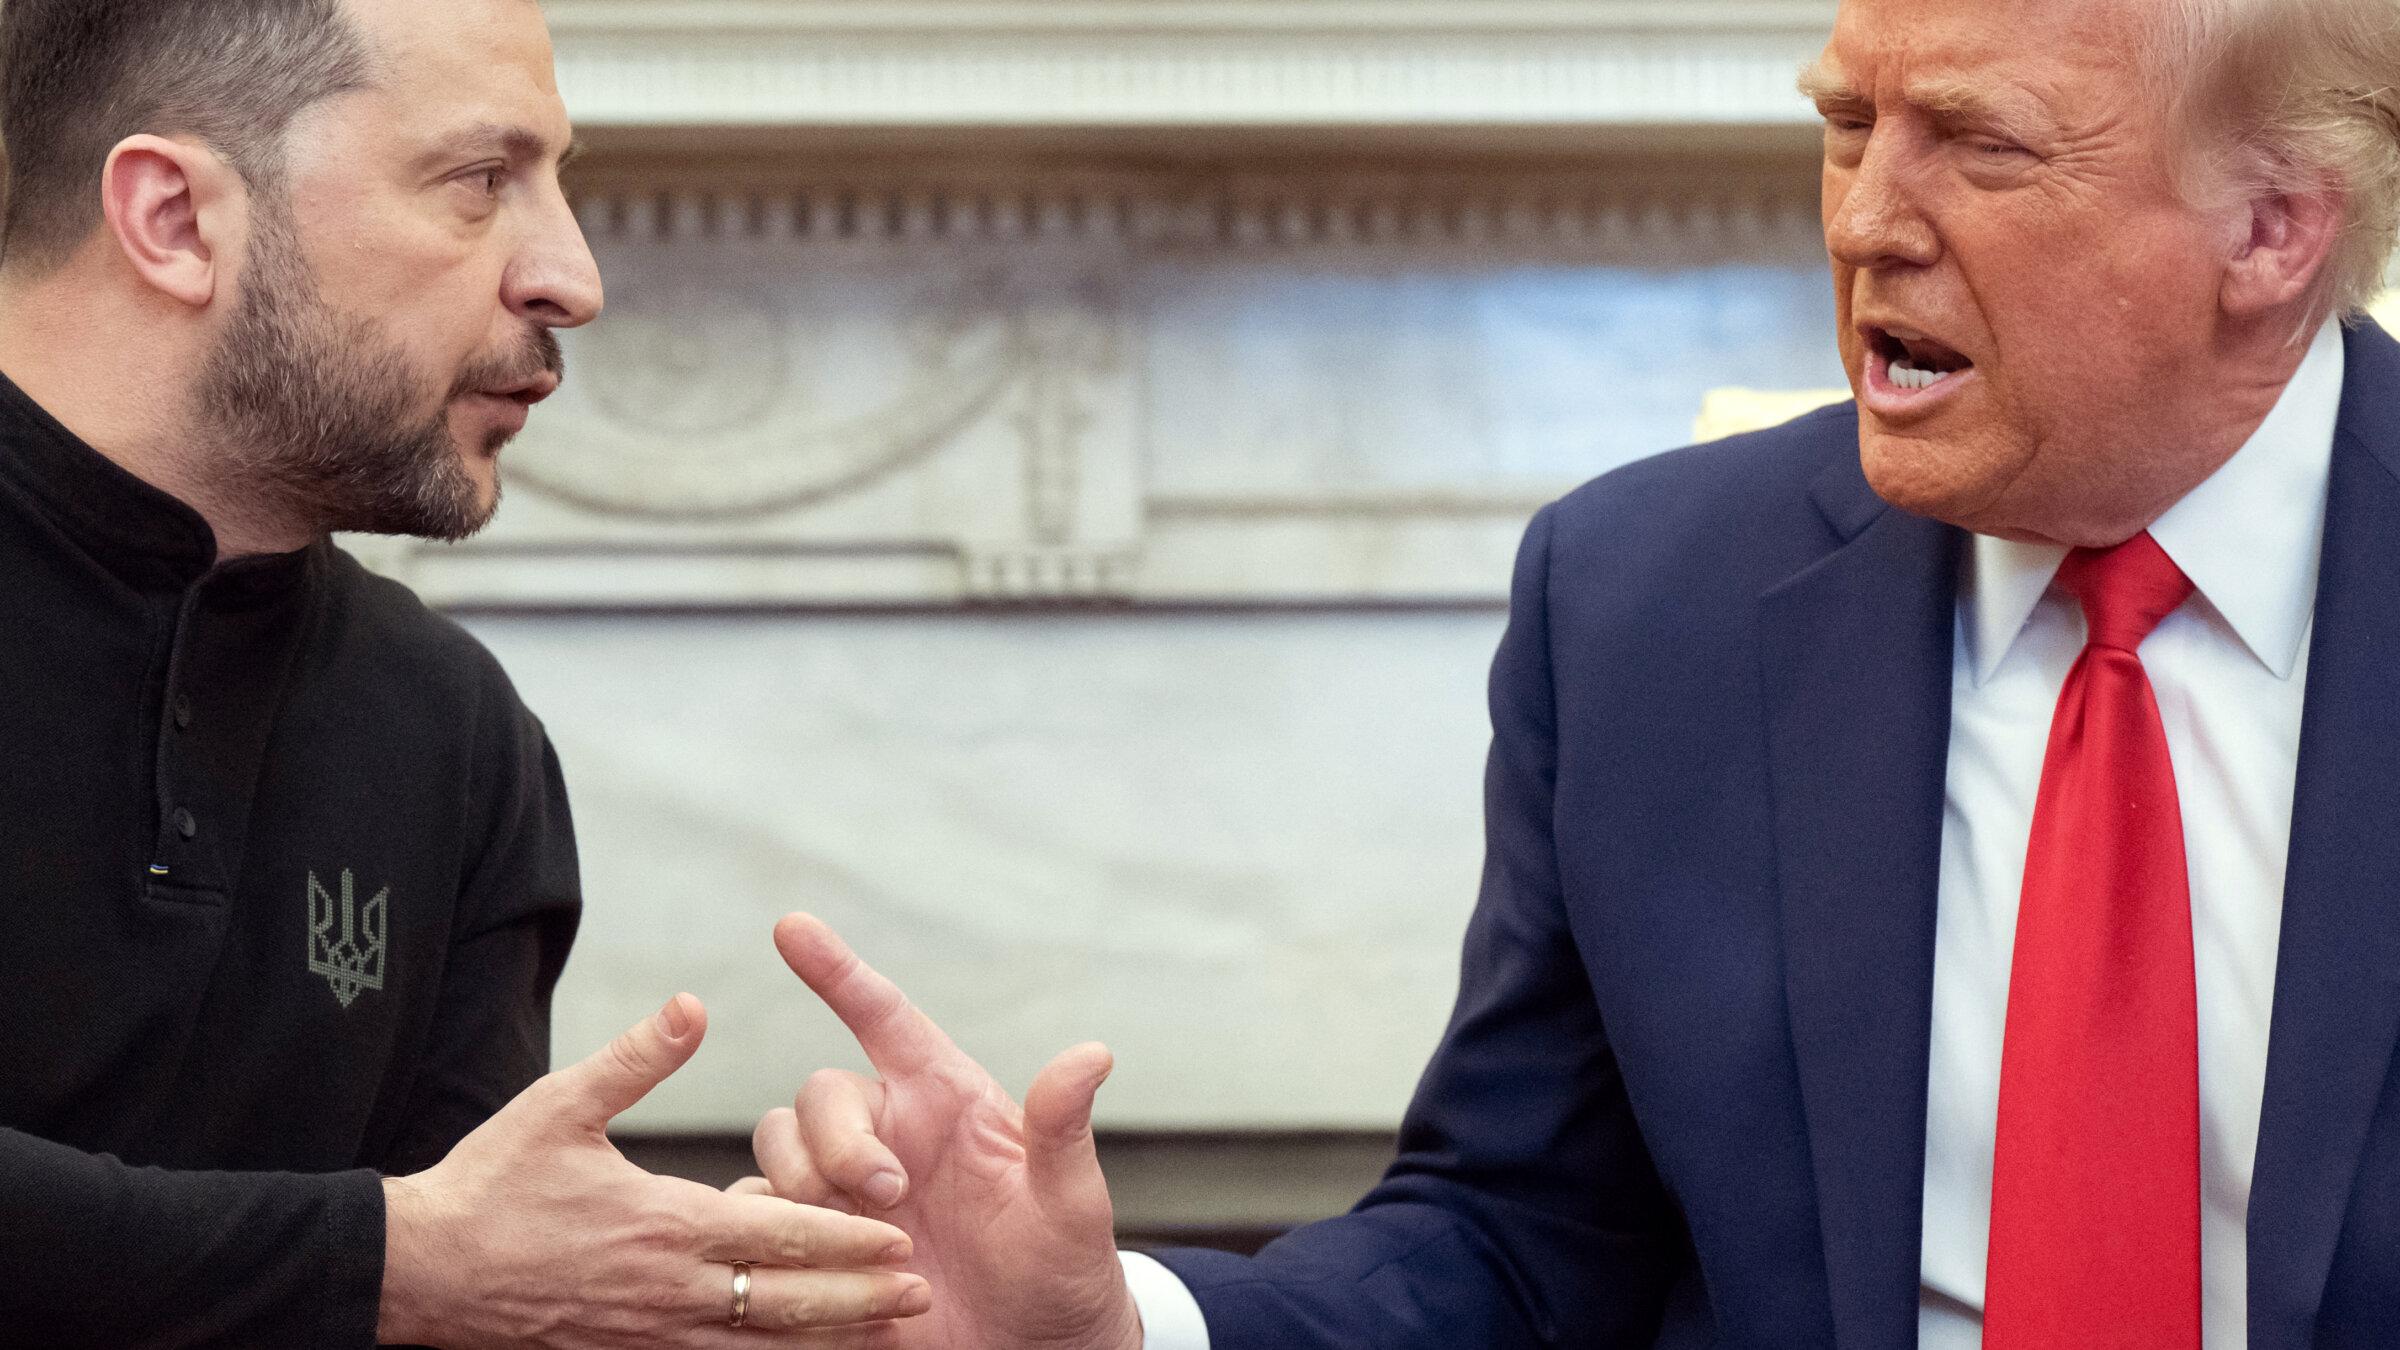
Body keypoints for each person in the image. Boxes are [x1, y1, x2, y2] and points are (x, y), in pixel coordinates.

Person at [753, 0, 2400, 1346]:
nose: (1865, 221)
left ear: (2270, 228)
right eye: (1845, 126)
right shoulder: (1645, 600)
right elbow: (1529, 1235)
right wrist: (1116, 1323)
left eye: (1981, 146)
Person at [0, 1, 935, 1345]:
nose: (573, 276)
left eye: (557, 183)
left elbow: (486, 1282)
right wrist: (378, 1262)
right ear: (175, 219)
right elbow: (430, 1268)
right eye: (481, 183)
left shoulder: (453, 728)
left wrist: (779, 1286)